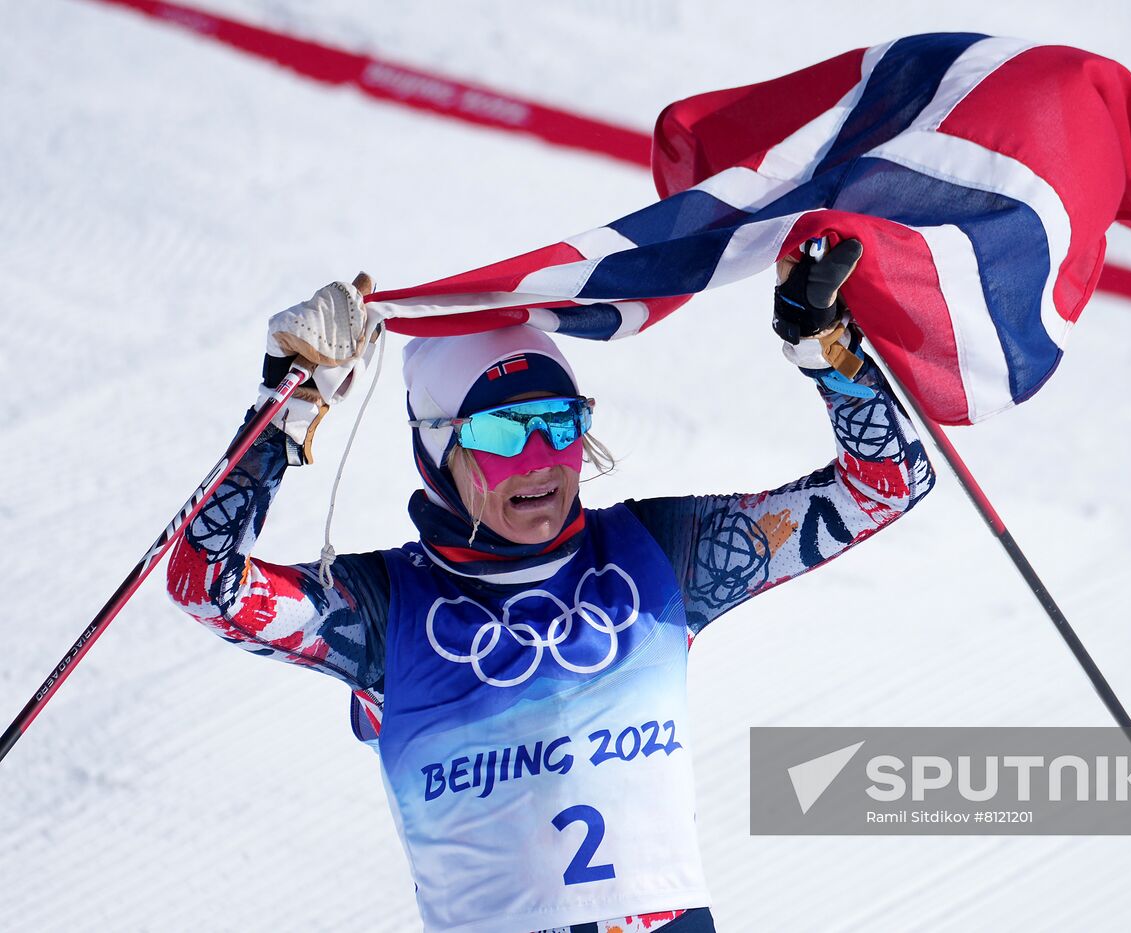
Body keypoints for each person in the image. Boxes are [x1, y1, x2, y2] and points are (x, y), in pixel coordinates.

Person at [167, 240, 935, 933]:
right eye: (500, 432)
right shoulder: (384, 608)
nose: (539, 458)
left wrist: (825, 347)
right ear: (436, 447)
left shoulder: (660, 554)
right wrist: (282, 413)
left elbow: (890, 483)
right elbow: (205, 583)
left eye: (560, 422)